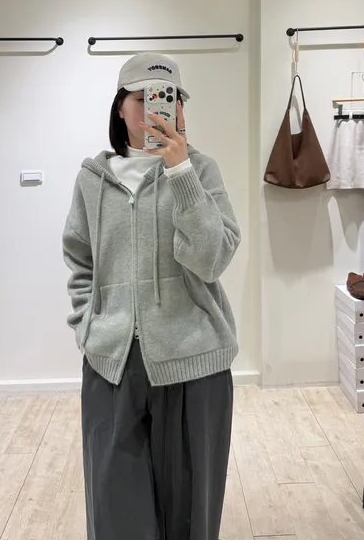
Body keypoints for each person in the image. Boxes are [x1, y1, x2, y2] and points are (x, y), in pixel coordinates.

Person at [62, 52, 241, 540]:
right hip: (112, 364)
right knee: (115, 512)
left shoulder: (200, 170)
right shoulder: (92, 179)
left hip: (195, 362)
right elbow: (79, 258)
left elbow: (212, 259)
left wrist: (181, 173)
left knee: (190, 515)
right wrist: (88, 324)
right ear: (121, 108)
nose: (157, 108)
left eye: (169, 98)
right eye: (143, 98)